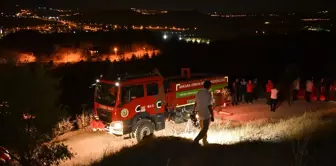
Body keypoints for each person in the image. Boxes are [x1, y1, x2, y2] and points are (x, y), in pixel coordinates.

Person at [193, 80, 214, 145]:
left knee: (203, 129)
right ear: (209, 86)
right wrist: (212, 115)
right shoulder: (208, 93)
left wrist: (194, 111)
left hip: (199, 113)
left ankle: (204, 141)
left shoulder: (198, 92)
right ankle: (196, 140)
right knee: (205, 129)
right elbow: (209, 106)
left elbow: (195, 102)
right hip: (206, 114)